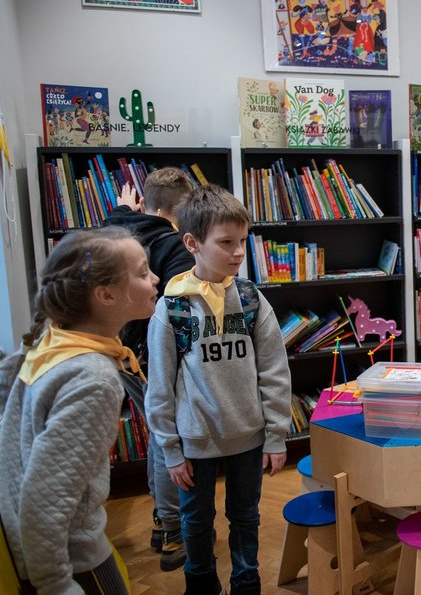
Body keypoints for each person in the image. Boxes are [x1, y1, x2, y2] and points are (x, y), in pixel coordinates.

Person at [145, 185, 291, 595]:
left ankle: (246, 582)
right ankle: (201, 583)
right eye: (226, 242)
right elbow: (160, 387)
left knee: (246, 517)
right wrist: (170, 448)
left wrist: (276, 435)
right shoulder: (172, 307)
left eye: (242, 241)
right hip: (195, 442)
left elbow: (274, 370)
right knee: (196, 522)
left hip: (248, 436)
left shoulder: (250, 300)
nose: (239, 252)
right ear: (192, 243)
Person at [0, 227, 159, 594]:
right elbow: (46, 502)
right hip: (68, 562)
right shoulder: (94, 380)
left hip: (27, 540)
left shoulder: (55, 336)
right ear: (105, 295)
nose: (154, 278)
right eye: (141, 272)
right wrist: (56, 585)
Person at [103, 167, 195, 570]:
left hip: (121, 349)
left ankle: (162, 521)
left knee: (160, 434)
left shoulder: (115, 228)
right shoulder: (175, 245)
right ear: (185, 207)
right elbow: (178, 307)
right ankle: (174, 531)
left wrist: (124, 210)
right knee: (166, 438)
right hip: (153, 353)